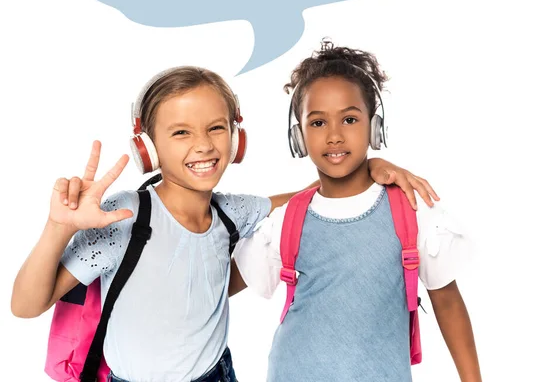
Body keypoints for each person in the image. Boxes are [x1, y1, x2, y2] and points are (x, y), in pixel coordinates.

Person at [12, 65, 436, 382]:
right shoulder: (122, 215)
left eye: (216, 128)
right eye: (180, 133)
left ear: (237, 139)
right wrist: (58, 227)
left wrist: (372, 164)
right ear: (148, 147)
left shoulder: (235, 212)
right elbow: (25, 305)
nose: (203, 145)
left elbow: (315, 197)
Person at [233, 42, 482, 382]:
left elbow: (448, 303)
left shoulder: (410, 209)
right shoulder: (285, 220)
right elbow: (218, 287)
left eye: (349, 119)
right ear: (299, 136)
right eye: (317, 122)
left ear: (374, 127)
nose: (334, 135)